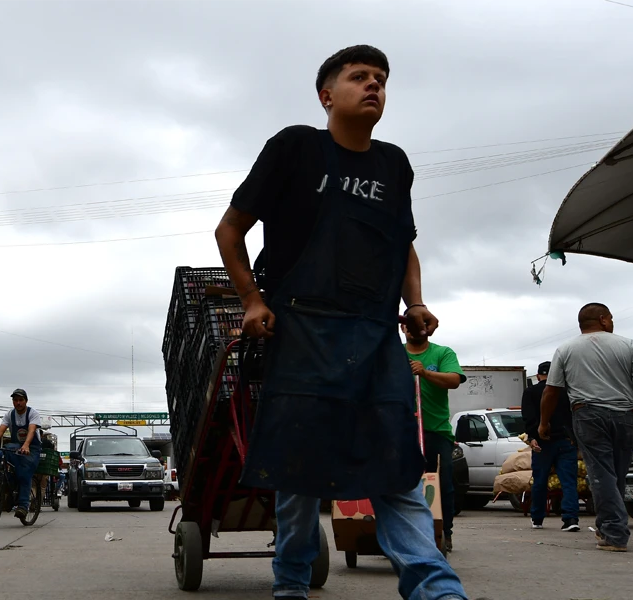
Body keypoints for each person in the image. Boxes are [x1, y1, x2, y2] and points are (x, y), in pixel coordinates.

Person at [214, 45, 468, 599]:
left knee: (397, 467)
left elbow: (403, 245)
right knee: (299, 474)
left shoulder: (393, 163)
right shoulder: (296, 148)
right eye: (359, 77)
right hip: (301, 331)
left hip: (375, 337)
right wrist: (254, 302)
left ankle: (436, 590)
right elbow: (229, 232)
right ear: (327, 95)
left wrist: (417, 304)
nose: (374, 85)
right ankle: (291, 587)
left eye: (381, 78)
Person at [541, 303, 633, 552]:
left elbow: (552, 390)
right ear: (603, 320)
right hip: (625, 416)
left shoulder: (565, 349)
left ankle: (614, 532)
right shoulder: (627, 344)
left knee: (602, 474)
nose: (612, 321)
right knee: (616, 473)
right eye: (611, 317)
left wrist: (544, 421)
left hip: (588, 415)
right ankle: (608, 526)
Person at [403, 322, 465, 551]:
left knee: (442, 485)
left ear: (427, 329)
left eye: (418, 325)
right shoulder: (394, 352)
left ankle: (443, 533)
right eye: (409, 325)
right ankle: (403, 532)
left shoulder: (442, 353)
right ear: (403, 329)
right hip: (402, 430)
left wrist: (425, 372)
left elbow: (454, 380)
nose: (413, 329)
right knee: (401, 482)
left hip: (437, 432)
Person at [521, 361, 580, 532]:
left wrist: (532, 438)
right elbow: (574, 415)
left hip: (542, 442)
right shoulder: (566, 391)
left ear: (539, 376)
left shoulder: (531, 392)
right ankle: (571, 519)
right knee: (568, 481)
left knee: (540, 481)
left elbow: (528, 418)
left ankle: (537, 518)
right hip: (565, 441)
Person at [0, 389, 42, 519]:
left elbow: (31, 431)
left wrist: (26, 445)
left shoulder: (32, 413)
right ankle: (7, 482)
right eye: (15, 400)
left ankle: (23, 506)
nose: (18, 403)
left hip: (32, 448)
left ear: (26, 401)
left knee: (24, 474)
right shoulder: (9, 414)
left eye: (21, 400)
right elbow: (1, 430)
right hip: (16, 447)